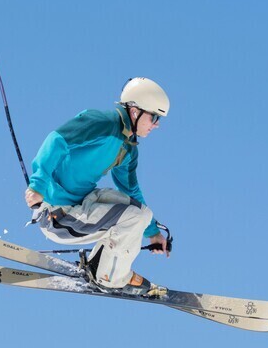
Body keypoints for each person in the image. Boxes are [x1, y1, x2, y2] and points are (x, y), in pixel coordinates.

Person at [24, 77, 170, 295]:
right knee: (135, 217)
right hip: (58, 213)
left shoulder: (128, 148)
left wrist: (152, 232)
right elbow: (57, 140)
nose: (156, 124)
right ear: (134, 111)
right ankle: (109, 278)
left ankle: (98, 264)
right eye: (154, 117)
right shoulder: (102, 123)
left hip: (82, 207)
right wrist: (38, 185)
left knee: (142, 214)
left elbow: (131, 190)